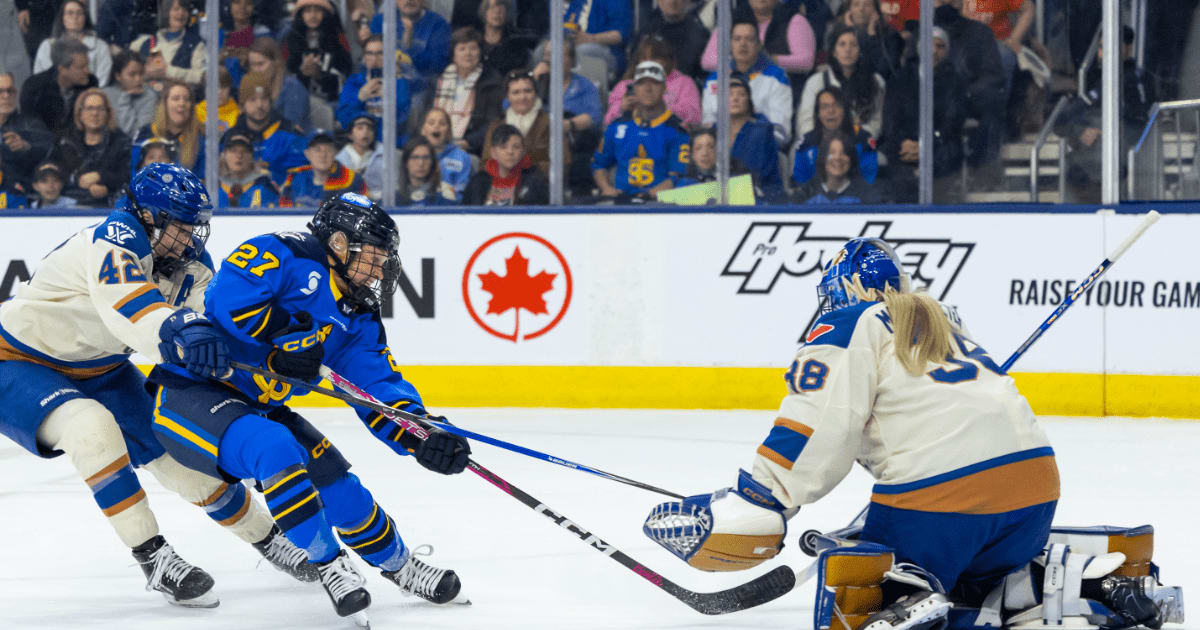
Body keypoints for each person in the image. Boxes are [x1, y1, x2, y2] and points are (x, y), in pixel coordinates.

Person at [642, 236, 1175, 630]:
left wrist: (761, 498)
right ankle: (1086, 588)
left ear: (840, 289)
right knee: (983, 586)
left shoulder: (847, 323)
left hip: (944, 498)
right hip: (1036, 491)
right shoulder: (944, 321)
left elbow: (819, 425)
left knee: (872, 587)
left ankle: (907, 603)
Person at [0, 163, 315, 608]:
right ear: (148, 217)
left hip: (101, 367)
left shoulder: (191, 265)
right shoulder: (115, 238)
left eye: (194, 226)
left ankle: (268, 539)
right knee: (90, 429)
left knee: (180, 454)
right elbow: (128, 307)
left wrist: (270, 348)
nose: (191, 237)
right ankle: (154, 558)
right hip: (13, 359)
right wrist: (179, 328)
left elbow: (215, 330)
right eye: (181, 226)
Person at [147, 193, 472, 622]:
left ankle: (400, 565)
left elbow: (376, 389)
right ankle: (328, 564)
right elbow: (227, 300)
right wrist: (283, 333)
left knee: (339, 485)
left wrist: (423, 433)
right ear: (339, 242)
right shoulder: (283, 251)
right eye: (374, 257)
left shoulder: (357, 316)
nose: (380, 270)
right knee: (276, 446)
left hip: (261, 408)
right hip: (192, 393)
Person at [880, 27, 966, 203]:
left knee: (946, 161)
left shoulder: (954, 81)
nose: (934, 51)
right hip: (903, 148)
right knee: (901, 178)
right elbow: (890, 121)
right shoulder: (900, 79)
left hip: (939, 148)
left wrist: (924, 146)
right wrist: (905, 144)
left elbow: (952, 122)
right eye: (930, 45)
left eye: (940, 46)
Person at [934, 0, 1007, 187]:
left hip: (970, 97)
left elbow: (994, 74)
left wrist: (965, 92)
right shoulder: (924, 32)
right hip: (935, 100)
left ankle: (984, 168)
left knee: (993, 102)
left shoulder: (980, 33)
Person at [593, 61, 690, 198]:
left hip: (661, 206)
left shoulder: (677, 131)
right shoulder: (616, 127)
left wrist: (648, 195)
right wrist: (607, 188)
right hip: (620, 206)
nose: (648, 88)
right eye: (641, 83)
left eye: (655, 82)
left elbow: (677, 176)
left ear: (664, 88)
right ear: (635, 88)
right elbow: (599, 165)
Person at [701, 19, 793, 146]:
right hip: (720, 150)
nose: (743, 44)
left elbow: (781, 131)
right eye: (737, 39)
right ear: (730, 44)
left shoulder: (777, 76)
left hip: (761, 149)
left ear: (758, 44)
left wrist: (747, 145)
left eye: (749, 39)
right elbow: (708, 123)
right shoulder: (714, 78)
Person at [531, 36, 603, 197]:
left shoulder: (584, 86)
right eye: (548, 55)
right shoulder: (532, 83)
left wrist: (569, 124)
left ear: (570, 60)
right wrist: (535, 82)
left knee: (581, 161)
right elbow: (509, 107)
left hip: (573, 141)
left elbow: (595, 116)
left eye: (558, 55)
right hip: (538, 141)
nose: (551, 60)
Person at [700, 0, 816, 93]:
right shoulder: (733, 19)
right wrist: (741, 61)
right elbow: (707, 61)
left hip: (781, 90)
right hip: (735, 94)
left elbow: (806, 61)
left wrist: (768, 60)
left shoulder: (794, 20)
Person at [796, 24, 886, 142]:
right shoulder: (816, 81)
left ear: (860, 51)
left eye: (853, 45)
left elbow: (875, 123)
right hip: (820, 142)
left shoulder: (875, 81)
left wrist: (854, 140)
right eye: (842, 44)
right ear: (834, 52)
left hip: (857, 143)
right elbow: (805, 121)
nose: (847, 49)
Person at [225, 71, 310, 185]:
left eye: (264, 99)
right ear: (242, 106)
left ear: (271, 102)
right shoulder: (231, 138)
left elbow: (305, 173)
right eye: (252, 100)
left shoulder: (289, 132)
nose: (260, 105)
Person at [431, 27, 503, 156]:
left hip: (470, 148)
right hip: (436, 142)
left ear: (480, 53)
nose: (468, 53)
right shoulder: (440, 80)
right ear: (453, 54)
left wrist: (468, 142)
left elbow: (493, 122)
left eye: (473, 48)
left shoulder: (491, 82)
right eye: (462, 49)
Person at [53, 89, 131, 207]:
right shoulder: (66, 142)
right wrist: (78, 179)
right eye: (89, 108)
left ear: (108, 113)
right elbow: (56, 171)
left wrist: (102, 178)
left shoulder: (122, 142)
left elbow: (128, 175)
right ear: (80, 113)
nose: (95, 113)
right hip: (69, 204)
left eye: (100, 109)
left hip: (110, 206)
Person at [482, 71, 568, 176]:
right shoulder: (496, 125)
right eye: (516, 92)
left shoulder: (550, 124)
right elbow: (485, 163)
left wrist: (522, 168)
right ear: (507, 97)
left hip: (539, 186)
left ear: (536, 93)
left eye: (527, 91)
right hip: (501, 186)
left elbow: (563, 163)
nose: (522, 97)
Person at [605, 34, 701, 128]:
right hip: (631, 136)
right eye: (644, 58)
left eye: (655, 58)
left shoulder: (684, 83)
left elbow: (695, 117)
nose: (649, 62)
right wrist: (621, 109)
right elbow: (607, 122)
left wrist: (659, 106)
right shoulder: (625, 85)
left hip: (669, 136)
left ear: (667, 59)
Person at [336, 34, 413, 148]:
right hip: (361, 146)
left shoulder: (398, 82)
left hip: (391, 146)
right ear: (364, 57)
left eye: (380, 53)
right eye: (369, 53)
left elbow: (402, 119)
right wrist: (360, 97)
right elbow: (343, 119)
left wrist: (388, 99)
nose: (374, 59)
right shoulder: (354, 81)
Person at [793, 86, 878, 187]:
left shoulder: (864, 140)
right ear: (818, 113)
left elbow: (869, 181)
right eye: (824, 107)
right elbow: (800, 183)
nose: (830, 111)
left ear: (844, 110)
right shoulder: (806, 143)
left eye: (836, 105)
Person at [724, 75, 784, 200]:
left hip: (757, 197)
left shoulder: (762, 132)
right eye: (730, 94)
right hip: (718, 196)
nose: (735, 98)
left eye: (741, 94)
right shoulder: (714, 131)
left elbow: (762, 176)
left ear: (749, 100)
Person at [21, 38, 98, 134]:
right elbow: (32, 131)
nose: (88, 71)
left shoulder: (90, 83)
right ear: (62, 69)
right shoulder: (34, 88)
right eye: (82, 67)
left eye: (87, 65)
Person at [283, 0, 354, 103]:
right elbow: (286, 74)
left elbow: (346, 71)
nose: (313, 15)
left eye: (317, 10)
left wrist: (320, 74)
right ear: (301, 14)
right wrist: (303, 73)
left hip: (331, 100)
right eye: (308, 11)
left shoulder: (337, 39)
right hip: (298, 100)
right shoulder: (290, 40)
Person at [370, 0, 453, 86]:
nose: (409, 0)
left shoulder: (438, 24)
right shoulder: (380, 21)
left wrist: (411, 47)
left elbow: (439, 65)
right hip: (384, 82)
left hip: (421, 86)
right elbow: (371, 58)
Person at [33, 0, 114, 88]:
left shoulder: (100, 46)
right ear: (62, 17)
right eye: (70, 13)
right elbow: (39, 77)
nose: (75, 17)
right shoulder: (47, 46)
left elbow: (102, 80)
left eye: (79, 13)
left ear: (85, 17)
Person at [131, 81, 206, 176]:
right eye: (176, 99)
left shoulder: (200, 138)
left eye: (187, 99)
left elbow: (203, 178)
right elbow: (134, 172)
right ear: (164, 104)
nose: (182, 103)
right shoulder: (144, 133)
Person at [464, 123, 548, 205]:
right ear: (493, 152)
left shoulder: (535, 181)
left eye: (516, 147)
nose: (510, 152)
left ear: (523, 151)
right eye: (503, 147)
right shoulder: (478, 182)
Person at [0, 72, 56, 192]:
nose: (6, 96)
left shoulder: (30, 124)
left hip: (20, 196)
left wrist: (27, 148)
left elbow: (52, 150)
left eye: (10, 91)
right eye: (0, 91)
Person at [632, 0, 710, 84]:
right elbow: (633, 70)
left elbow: (704, 76)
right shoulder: (646, 33)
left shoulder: (700, 35)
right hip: (650, 89)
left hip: (688, 91)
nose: (672, 1)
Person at [133, 0, 208, 88]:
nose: (181, 13)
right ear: (166, 12)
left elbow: (202, 76)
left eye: (185, 10)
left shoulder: (196, 45)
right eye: (176, 9)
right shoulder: (142, 43)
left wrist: (167, 72)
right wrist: (145, 73)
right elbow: (128, 72)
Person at [280, 132, 368, 207]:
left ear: (335, 153)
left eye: (328, 150)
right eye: (317, 150)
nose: (323, 155)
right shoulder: (295, 178)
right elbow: (283, 211)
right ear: (307, 154)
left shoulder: (352, 180)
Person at [246, 36, 314, 132]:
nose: (256, 70)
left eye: (261, 64)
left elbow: (290, 129)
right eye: (253, 64)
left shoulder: (294, 89)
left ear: (276, 63)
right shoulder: (253, 88)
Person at [793, 129, 880, 203]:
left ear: (851, 159)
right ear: (823, 159)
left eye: (844, 153)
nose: (837, 157)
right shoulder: (806, 194)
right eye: (831, 153)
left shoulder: (867, 196)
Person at [562, 0, 631, 79]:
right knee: (551, 48)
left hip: (609, 53)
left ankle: (584, 89)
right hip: (574, 47)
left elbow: (620, 35)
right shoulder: (577, 1)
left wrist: (590, 38)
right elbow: (566, 25)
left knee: (583, 50)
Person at [837, 0, 904, 80]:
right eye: (856, 5)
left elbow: (884, 69)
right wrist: (850, 31)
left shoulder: (890, 35)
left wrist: (871, 34)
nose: (861, 9)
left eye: (867, 5)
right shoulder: (838, 34)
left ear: (876, 11)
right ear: (849, 10)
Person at [104, 49, 160, 138]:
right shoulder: (105, 95)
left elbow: (137, 133)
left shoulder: (149, 96)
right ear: (118, 76)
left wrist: (125, 99)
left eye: (141, 74)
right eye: (132, 74)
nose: (138, 79)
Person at [418, 107, 472, 198]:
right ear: (423, 130)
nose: (436, 126)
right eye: (431, 123)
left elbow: (465, 190)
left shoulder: (461, 157)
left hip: (452, 208)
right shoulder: (414, 155)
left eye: (442, 123)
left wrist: (449, 191)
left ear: (448, 132)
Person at [217, 132, 280, 208]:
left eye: (244, 151)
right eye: (233, 151)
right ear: (224, 155)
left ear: (251, 156)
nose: (239, 156)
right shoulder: (214, 186)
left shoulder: (265, 185)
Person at [337, 115, 386, 201]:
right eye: (360, 128)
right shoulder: (339, 160)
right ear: (350, 135)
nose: (365, 132)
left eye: (370, 129)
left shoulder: (384, 155)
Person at [398, 136, 458, 205]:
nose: (421, 163)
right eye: (415, 157)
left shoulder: (445, 198)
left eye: (426, 158)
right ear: (406, 162)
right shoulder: (394, 199)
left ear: (432, 162)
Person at [196, 67, 241, 136]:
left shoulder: (239, 113)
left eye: (223, 87)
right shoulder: (195, 113)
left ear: (230, 88)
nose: (219, 92)